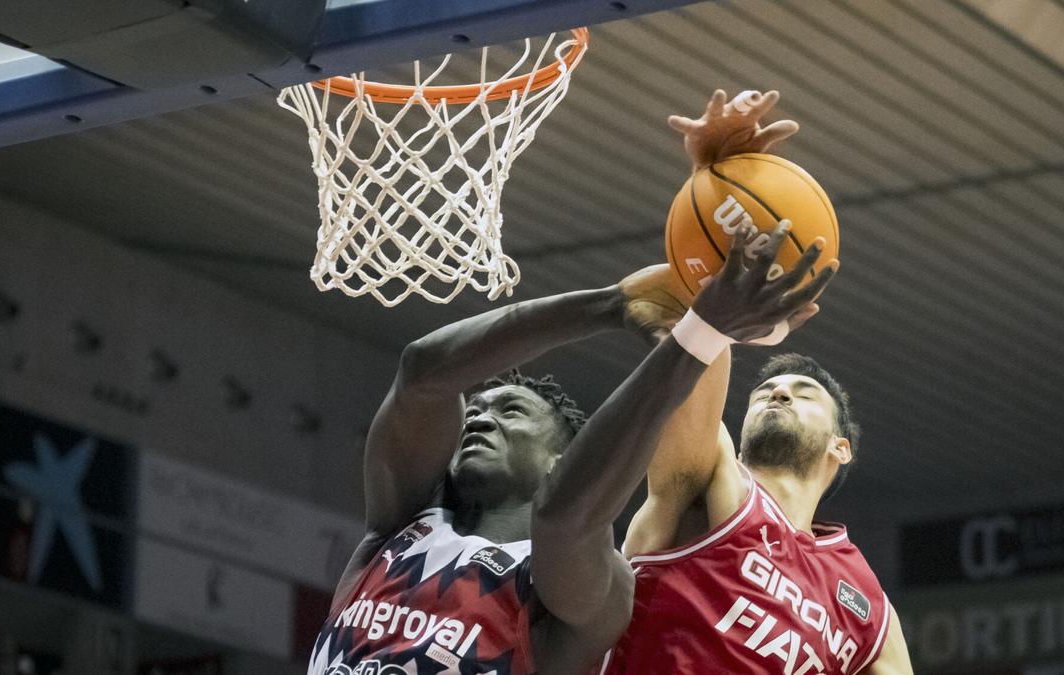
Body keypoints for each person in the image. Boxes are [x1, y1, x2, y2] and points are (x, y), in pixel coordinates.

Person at [306, 91, 815, 675]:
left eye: (511, 413)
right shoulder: (398, 525)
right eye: (481, 407)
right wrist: (610, 304)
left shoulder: (582, 594)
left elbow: (565, 514)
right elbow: (422, 373)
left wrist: (702, 330)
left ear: (558, 460)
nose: (480, 416)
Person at [600, 94, 916, 675]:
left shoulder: (868, 604)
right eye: (765, 391)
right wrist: (714, 188)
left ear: (840, 447)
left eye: (804, 392)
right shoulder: (709, 478)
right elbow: (689, 336)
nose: (777, 393)